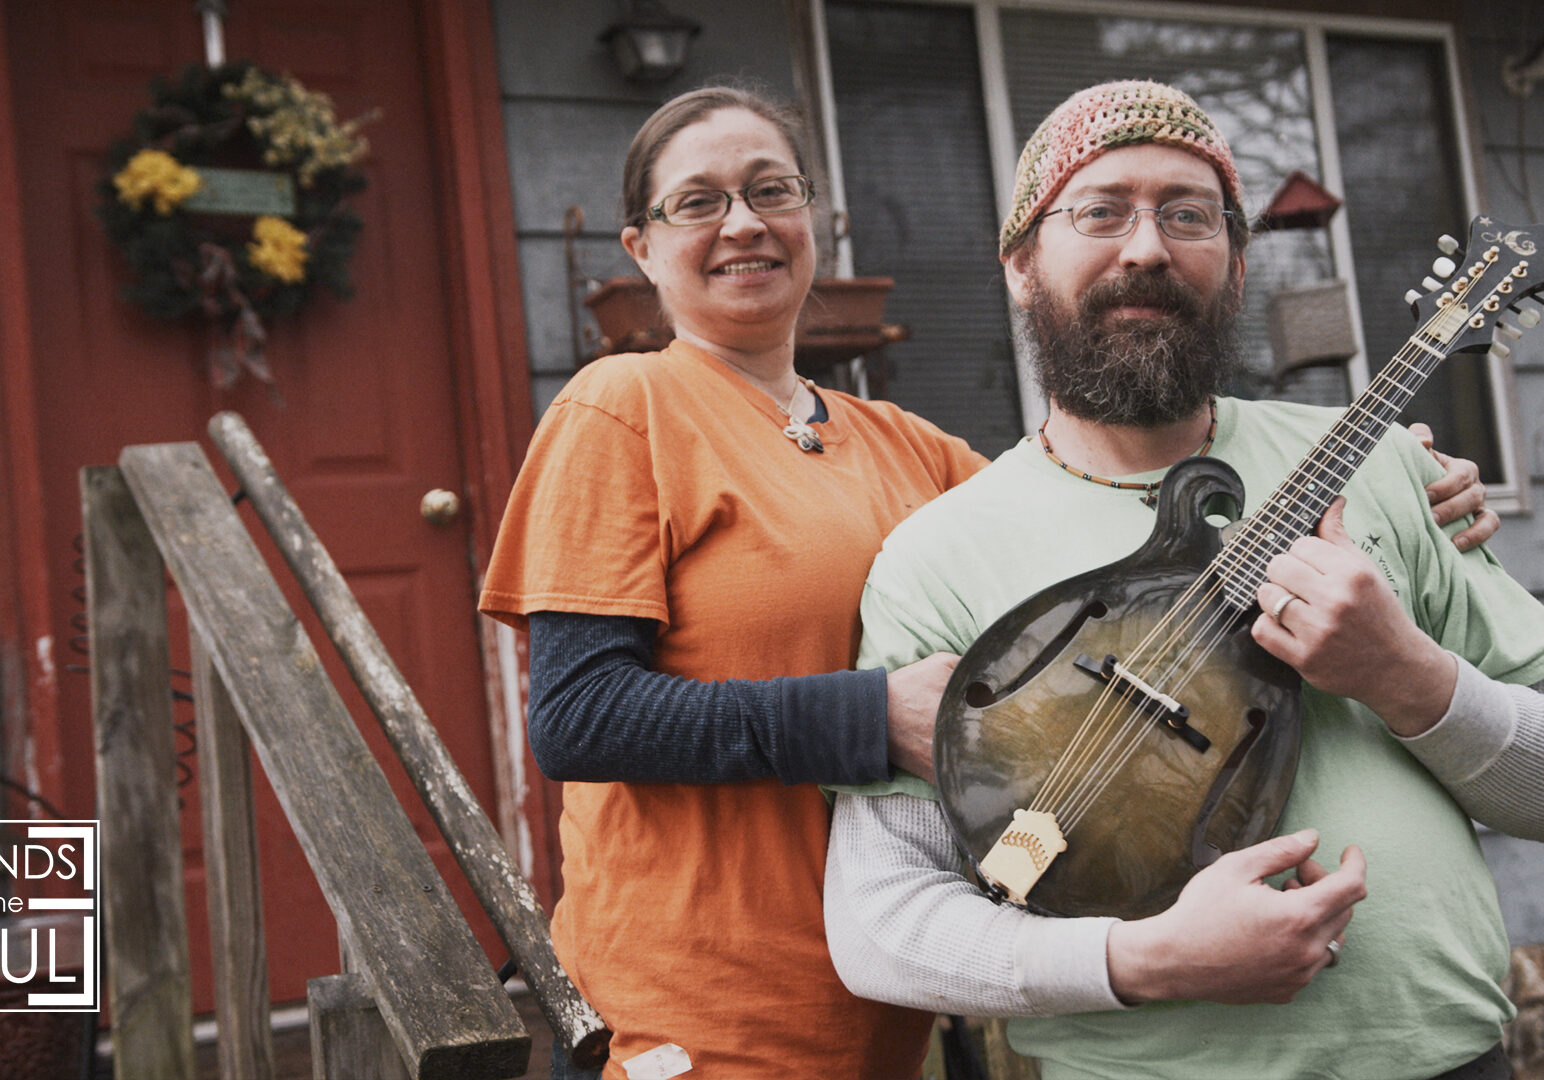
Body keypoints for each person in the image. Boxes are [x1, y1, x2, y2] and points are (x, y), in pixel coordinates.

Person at [482, 83, 1494, 1079]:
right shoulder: (621, 406)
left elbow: (1078, 496)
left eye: (770, 190)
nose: (742, 222)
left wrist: (1397, 468)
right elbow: (577, 716)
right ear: (639, 247)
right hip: (699, 998)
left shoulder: (900, 447)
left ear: (816, 223)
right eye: (697, 201)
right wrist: (867, 716)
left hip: (878, 1012)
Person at [823, 79, 1544, 1080]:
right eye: (1099, 209)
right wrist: (1142, 959)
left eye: (1187, 214)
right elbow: (881, 923)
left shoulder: (1381, 463)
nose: (1146, 247)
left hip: (1452, 1060)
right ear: (1021, 266)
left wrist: (1403, 674)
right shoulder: (936, 555)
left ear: (1236, 267)